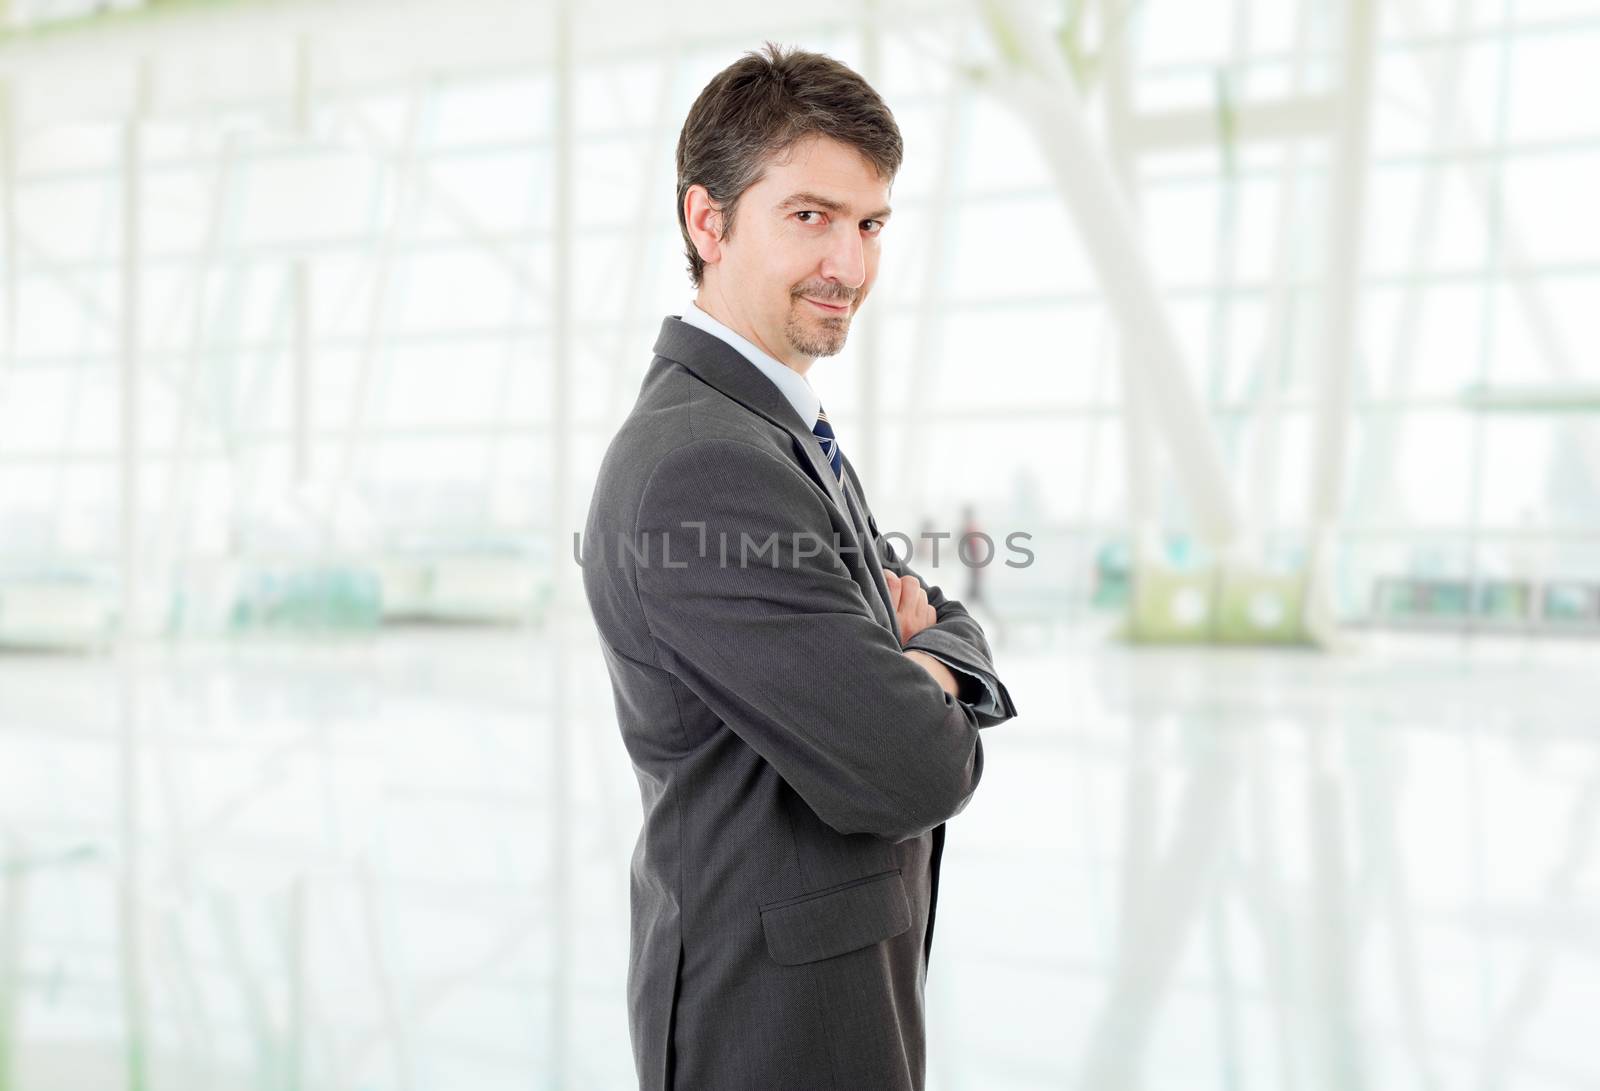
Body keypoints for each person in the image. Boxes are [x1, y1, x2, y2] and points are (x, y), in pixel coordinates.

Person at [580, 43, 1018, 1091]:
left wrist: (927, 654)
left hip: (819, 1002)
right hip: (774, 1031)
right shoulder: (705, 463)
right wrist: (926, 670)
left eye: (869, 225)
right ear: (707, 220)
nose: (850, 266)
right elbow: (915, 766)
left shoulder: (769, 427)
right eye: (809, 217)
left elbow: (935, 609)